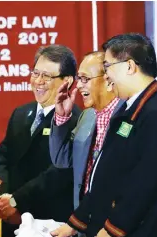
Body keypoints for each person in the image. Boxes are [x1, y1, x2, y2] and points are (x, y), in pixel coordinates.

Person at [51, 33, 157, 237]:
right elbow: (106, 175)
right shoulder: (127, 112)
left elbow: (145, 185)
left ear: (130, 66)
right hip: (105, 232)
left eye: (108, 66)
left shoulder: (156, 114)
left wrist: (112, 231)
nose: (107, 75)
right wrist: (76, 222)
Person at [0, 44, 81, 237]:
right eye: (36, 73)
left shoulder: (74, 120)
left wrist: (17, 201)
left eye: (47, 76)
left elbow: (58, 173)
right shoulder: (21, 113)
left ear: (67, 81)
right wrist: (6, 200)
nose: (38, 81)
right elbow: (3, 158)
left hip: (49, 228)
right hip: (13, 222)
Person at [49, 51, 124, 210]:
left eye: (85, 79)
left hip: (116, 220)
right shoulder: (87, 116)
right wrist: (62, 117)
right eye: (79, 79)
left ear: (108, 80)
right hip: (83, 220)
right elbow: (62, 159)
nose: (78, 85)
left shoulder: (130, 115)